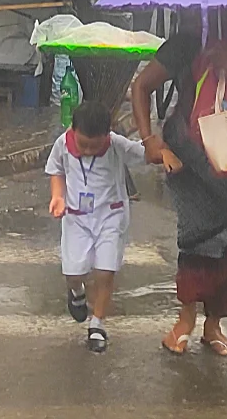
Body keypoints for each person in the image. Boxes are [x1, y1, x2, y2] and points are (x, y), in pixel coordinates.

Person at [131, 8, 227, 357]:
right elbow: (141, 86)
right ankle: (185, 320)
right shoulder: (189, 39)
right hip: (191, 154)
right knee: (198, 236)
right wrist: (149, 141)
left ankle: (213, 324)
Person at [46, 101, 147, 353]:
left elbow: (145, 153)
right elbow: (56, 171)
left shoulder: (116, 145)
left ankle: (97, 324)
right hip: (76, 217)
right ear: (73, 130)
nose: (89, 150)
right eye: (83, 145)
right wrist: (57, 196)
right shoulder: (63, 144)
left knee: (106, 271)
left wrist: (164, 150)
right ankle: (76, 292)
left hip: (110, 215)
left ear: (108, 134)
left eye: (95, 145)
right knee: (73, 273)